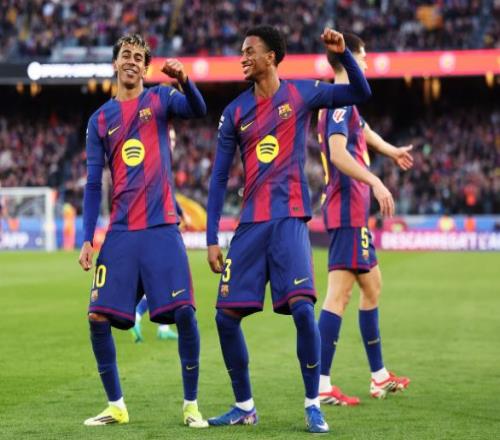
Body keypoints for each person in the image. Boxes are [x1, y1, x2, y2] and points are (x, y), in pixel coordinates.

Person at [206, 26, 371, 433]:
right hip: (250, 224)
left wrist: (344, 55)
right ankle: (244, 405)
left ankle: (313, 403)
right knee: (225, 317)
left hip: (290, 219)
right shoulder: (234, 112)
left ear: (272, 57)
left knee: (301, 309)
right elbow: (219, 177)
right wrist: (211, 237)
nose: (243, 57)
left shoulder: (301, 93)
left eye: (250, 51)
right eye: (242, 51)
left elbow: (359, 92)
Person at [78, 33, 208, 428]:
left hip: (161, 227)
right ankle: (116, 405)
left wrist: (184, 80)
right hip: (121, 232)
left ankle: (191, 406)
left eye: (139, 57)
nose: (132, 61)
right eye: (126, 55)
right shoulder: (99, 120)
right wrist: (87, 238)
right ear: (115, 63)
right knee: (96, 317)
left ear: (146, 68)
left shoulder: (161, 99)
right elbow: (93, 184)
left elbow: (198, 109)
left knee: (184, 312)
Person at [316, 33, 413, 406]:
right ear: (350, 58)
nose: (368, 61)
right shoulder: (339, 104)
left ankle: (379, 376)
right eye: (365, 55)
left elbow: (365, 132)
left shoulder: (345, 101)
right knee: (339, 295)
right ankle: (322, 384)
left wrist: (392, 152)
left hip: (353, 211)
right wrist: (375, 181)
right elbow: (338, 153)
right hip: (346, 210)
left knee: (372, 287)